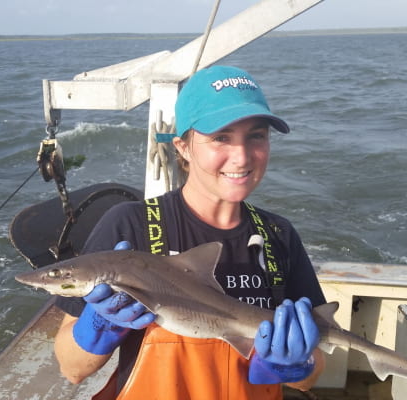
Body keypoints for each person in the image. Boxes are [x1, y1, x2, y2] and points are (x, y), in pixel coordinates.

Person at [54, 65, 327, 400]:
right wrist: (100, 324)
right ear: (183, 146)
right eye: (221, 138)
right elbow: (72, 368)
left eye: (256, 136)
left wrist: (297, 366)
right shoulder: (129, 224)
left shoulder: (278, 235)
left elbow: (309, 379)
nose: (241, 157)